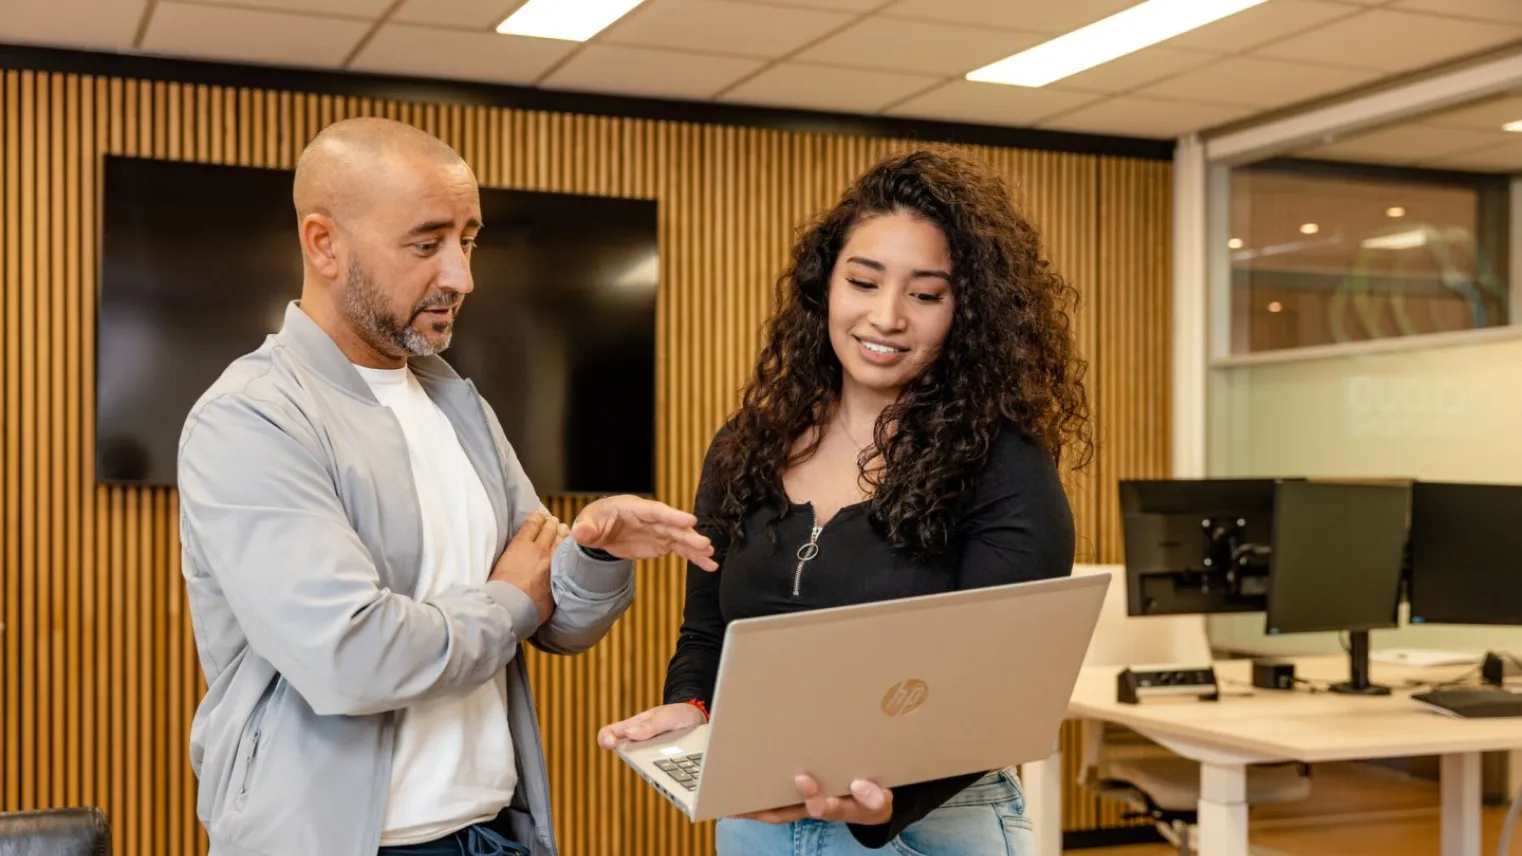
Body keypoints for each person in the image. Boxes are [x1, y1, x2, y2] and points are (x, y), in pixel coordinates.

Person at [177, 117, 717, 856]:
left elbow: (556, 622)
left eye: (468, 241)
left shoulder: (455, 401)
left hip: (493, 834)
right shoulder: (252, 418)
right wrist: (511, 600)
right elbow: (351, 657)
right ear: (324, 244)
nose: (462, 277)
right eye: (427, 244)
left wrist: (591, 554)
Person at [597, 148, 1091, 854]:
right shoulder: (747, 444)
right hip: (757, 816)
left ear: (968, 313)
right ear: (825, 285)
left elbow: (1002, 692)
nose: (886, 317)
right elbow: (708, 632)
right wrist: (692, 708)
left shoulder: (1003, 464)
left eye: (926, 295)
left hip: (927, 825)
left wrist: (885, 807)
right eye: (863, 282)